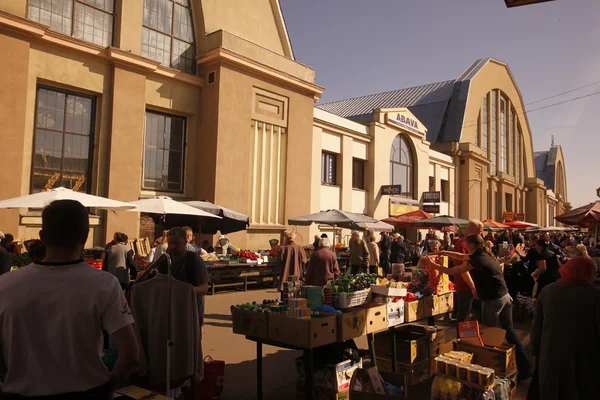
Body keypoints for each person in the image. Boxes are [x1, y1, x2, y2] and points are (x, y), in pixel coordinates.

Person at [0, 200, 139, 397]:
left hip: (22, 392)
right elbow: (130, 354)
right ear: (85, 236)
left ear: (42, 237)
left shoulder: (5, 285)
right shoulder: (104, 285)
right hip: (88, 391)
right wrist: (107, 389)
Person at [422, 233, 533, 380]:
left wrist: (431, 264)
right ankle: (525, 368)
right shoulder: (484, 254)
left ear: (472, 245)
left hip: (494, 301)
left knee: (490, 337)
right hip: (505, 297)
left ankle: (494, 372)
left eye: (467, 244)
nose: (466, 247)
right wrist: (443, 252)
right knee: (509, 332)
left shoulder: (477, 260)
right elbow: (462, 257)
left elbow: (452, 271)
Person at [529, 256, 600, 400]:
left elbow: (537, 327)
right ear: (587, 273)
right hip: (584, 359)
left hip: (550, 355)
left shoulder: (548, 291)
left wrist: (535, 352)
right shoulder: (595, 295)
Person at [166, 227, 209, 329]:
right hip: (171, 313)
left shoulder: (194, 260)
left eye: (176, 243)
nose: (172, 246)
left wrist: (183, 291)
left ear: (185, 242)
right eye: (170, 243)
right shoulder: (165, 259)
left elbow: (204, 288)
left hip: (191, 313)